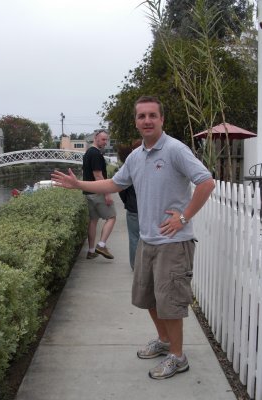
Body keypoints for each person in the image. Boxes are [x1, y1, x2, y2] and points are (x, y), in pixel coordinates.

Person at [52, 96, 215, 380]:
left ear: (161, 119)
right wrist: (78, 184)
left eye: (153, 115)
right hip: (148, 240)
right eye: (142, 116)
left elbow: (206, 181)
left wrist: (184, 217)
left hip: (173, 243)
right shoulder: (137, 157)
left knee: (170, 303)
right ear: (136, 122)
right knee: (149, 298)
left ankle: (178, 356)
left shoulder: (175, 150)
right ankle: (164, 342)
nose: (147, 120)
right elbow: (115, 183)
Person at [83, 130, 116, 260]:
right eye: (103, 139)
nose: (105, 142)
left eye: (106, 140)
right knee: (112, 217)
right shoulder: (96, 154)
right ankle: (101, 245)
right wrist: (107, 193)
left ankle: (91, 251)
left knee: (93, 220)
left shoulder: (87, 153)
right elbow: (98, 175)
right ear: (96, 138)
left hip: (88, 192)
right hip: (97, 192)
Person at [118, 141, 141, 271]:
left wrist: (127, 201)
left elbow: (120, 188)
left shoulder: (129, 166)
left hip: (133, 208)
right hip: (148, 209)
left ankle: (135, 265)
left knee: (134, 238)